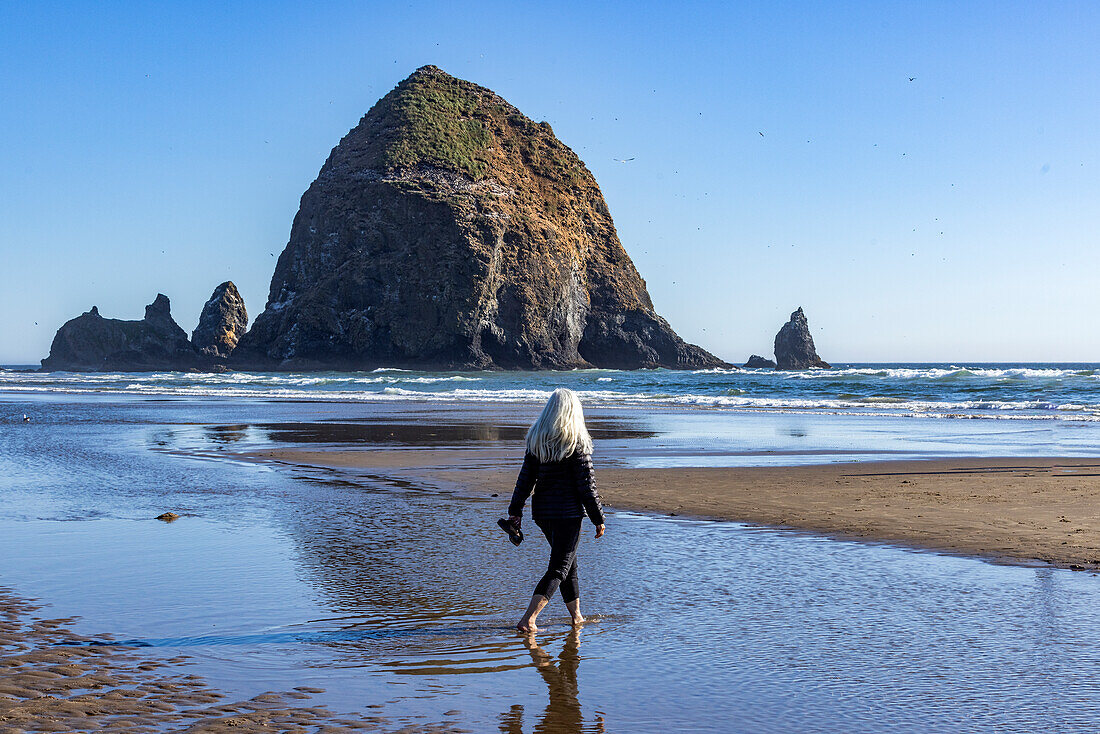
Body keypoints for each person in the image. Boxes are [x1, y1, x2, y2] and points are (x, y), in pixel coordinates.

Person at [508, 388, 605, 633]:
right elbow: (587, 487)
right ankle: (528, 619)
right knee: (560, 567)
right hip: (568, 514)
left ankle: (577, 617)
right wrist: (598, 518)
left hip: (542, 513)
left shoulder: (537, 439)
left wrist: (515, 510)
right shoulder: (576, 442)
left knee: (568, 564)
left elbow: (525, 479)